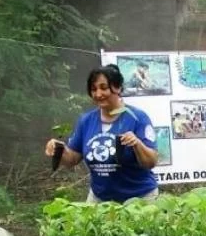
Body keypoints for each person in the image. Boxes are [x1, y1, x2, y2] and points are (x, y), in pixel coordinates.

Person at [44, 64, 159, 203]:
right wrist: (59, 149)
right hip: (100, 198)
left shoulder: (137, 118)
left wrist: (137, 144)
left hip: (139, 198)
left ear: (117, 88)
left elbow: (151, 161)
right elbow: (72, 159)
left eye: (104, 88)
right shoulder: (86, 121)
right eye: (93, 89)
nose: (98, 94)